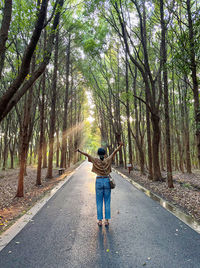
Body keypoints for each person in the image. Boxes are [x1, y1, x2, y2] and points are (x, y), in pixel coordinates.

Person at [76, 142, 123, 226]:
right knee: (107, 201)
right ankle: (107, 221)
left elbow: (87, 154)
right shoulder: (108, 160)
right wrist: (120, 145)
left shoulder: (95, 160)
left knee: (99, 201)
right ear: (105, 154)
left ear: (98, 154)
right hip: (107, 181)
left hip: (98, 181)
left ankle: (100, 221)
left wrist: (79, 151)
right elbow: (115, 152)